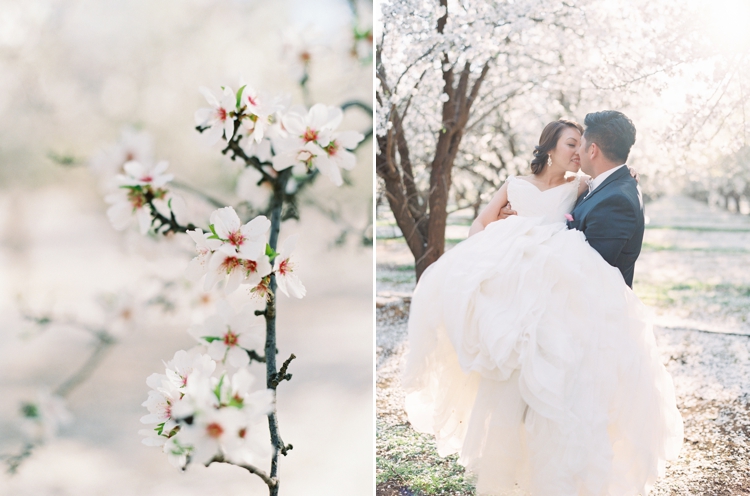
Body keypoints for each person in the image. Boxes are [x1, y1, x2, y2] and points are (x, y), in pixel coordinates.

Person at [402, 112, 683, 496]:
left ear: (593, 149)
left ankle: (552, 478)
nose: (578, 148)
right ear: (550, 148)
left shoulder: (590, 189)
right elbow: (482, 229)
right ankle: (522, 474)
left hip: (570, 312)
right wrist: (507, 228)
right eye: (571, 142)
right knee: (518, 393)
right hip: (527, 299)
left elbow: (590, 265)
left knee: (560, 408)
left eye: (581, 143)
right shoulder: (541, 186)